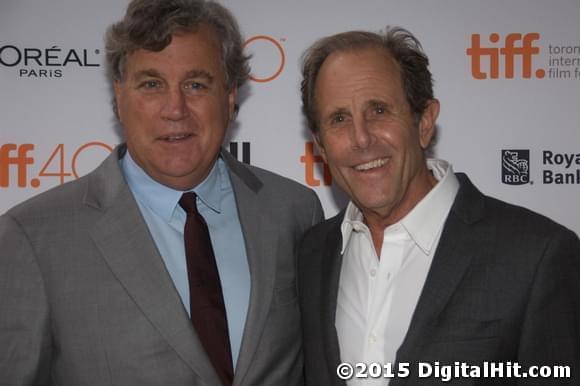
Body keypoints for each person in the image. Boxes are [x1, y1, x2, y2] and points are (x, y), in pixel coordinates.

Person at [0, 0, 323, 385]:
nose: (175, 109)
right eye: (152, 84)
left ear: (230, 95)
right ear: (119, 96)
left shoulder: (294, 211)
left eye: (196, 84)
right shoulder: (33, 238)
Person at [298, 27, 580, 385]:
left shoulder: (536, 254)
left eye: (379, 110)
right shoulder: (311, 255)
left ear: (425, 122)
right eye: (339, 119)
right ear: (320, 145)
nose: (361, 138)